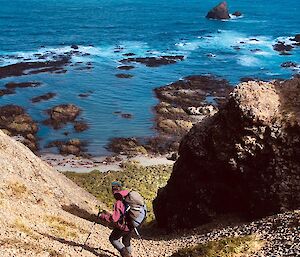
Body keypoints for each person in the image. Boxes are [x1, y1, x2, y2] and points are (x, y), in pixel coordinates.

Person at [99, 181, 133, 257]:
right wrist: (108, 214)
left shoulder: (118, 202)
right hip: (131, 224)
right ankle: (130, 254)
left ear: (113, 190)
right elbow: (122, 213)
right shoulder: (128, 199)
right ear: (120, 188)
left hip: (123, 226)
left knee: (113, 239)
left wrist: (103, 216)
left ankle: (126, 255)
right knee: (126, 241)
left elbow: (115, 219)